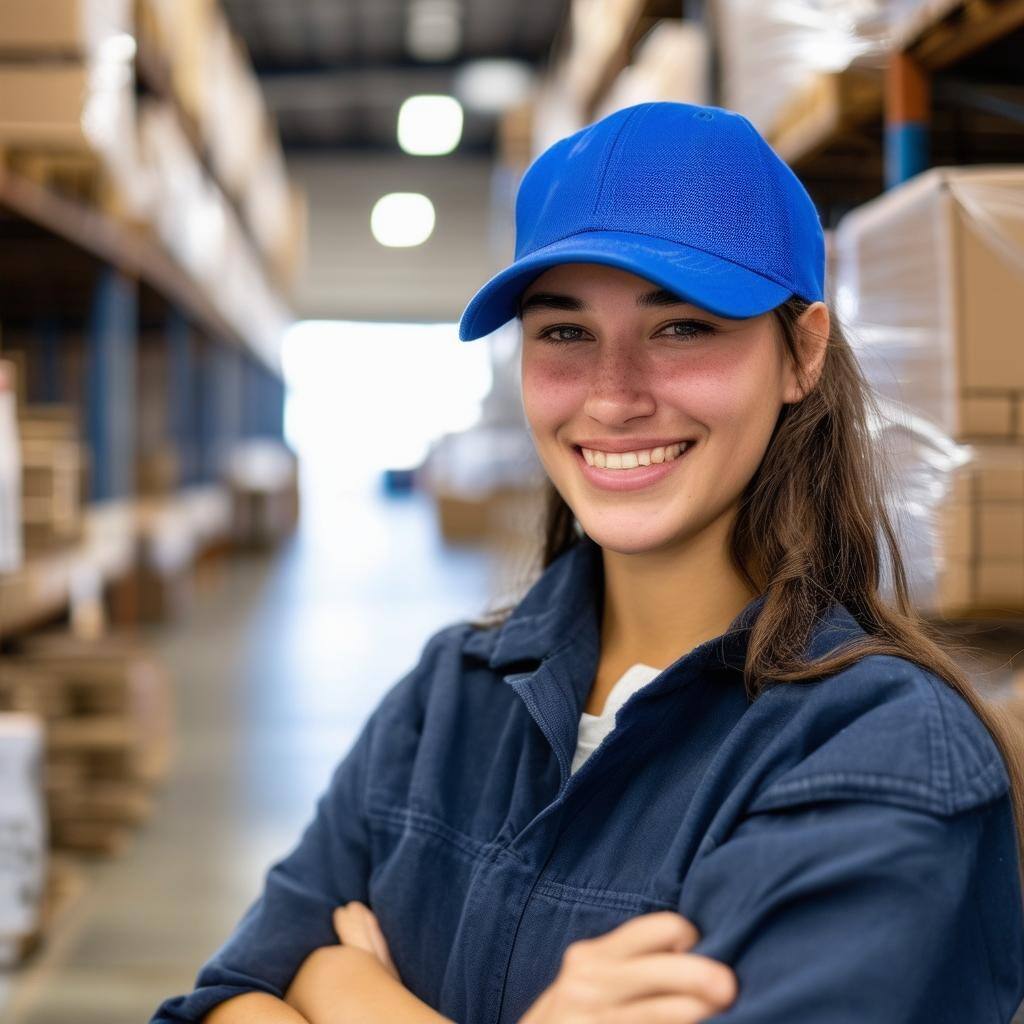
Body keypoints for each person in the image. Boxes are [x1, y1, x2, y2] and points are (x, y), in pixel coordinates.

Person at [150, 101, 1024, 1024]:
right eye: (564, 332)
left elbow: (285, 980)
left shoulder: (879, 756)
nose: (612, 399)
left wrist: (343, 988)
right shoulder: (450, 696)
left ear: (801, 353)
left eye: (681, 327)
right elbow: (227, 1001)